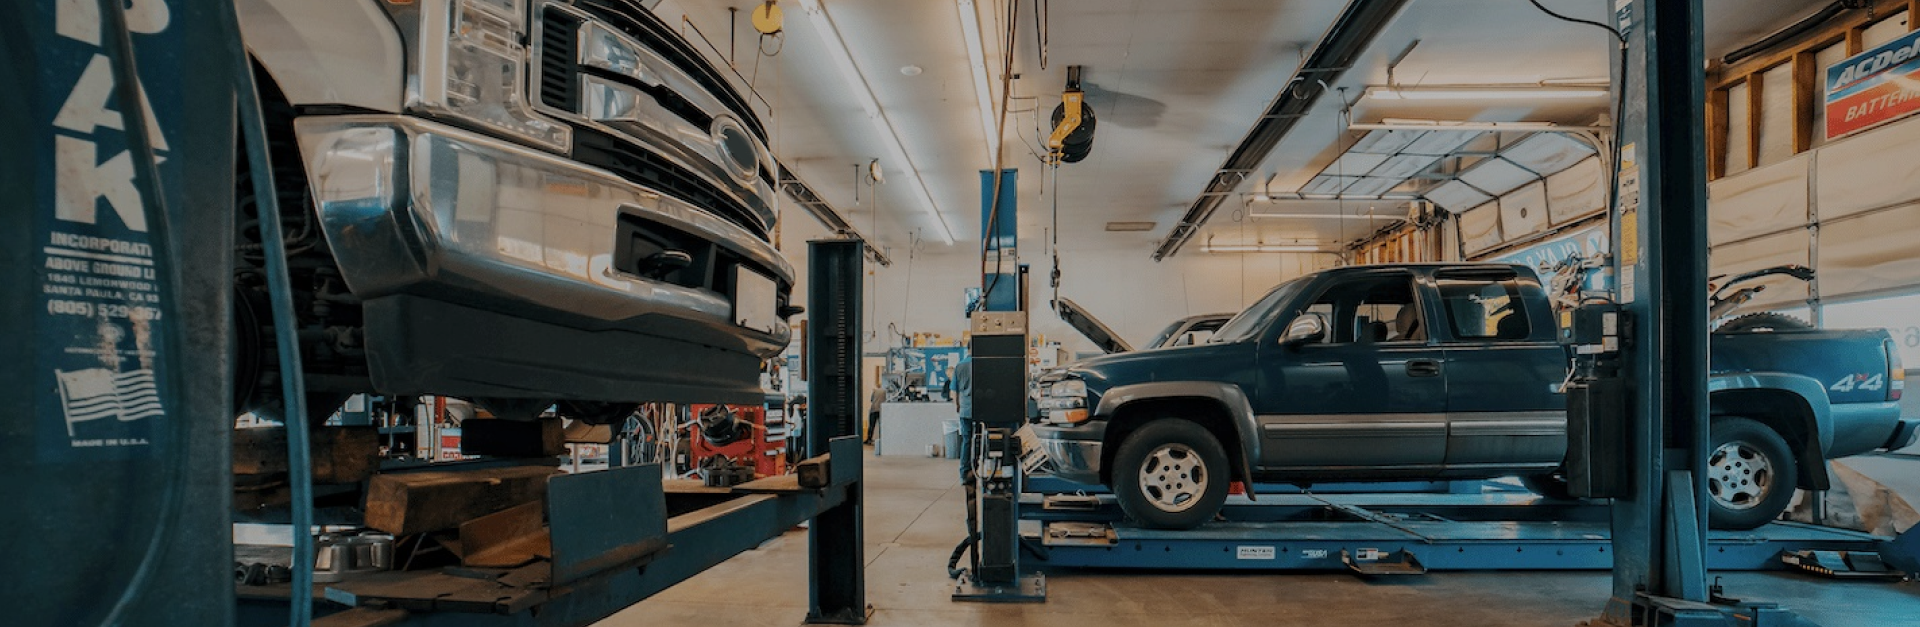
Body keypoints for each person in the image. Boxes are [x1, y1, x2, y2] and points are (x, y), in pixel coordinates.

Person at [953, 356, 973, 482]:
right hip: (982, 410)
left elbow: (953, 391)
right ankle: (980, 470)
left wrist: (957, 406)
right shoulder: (982, 363)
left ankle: (964, 474)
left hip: (965, 410)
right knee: (983, 440)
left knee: (966, 441)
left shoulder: (959, 366)